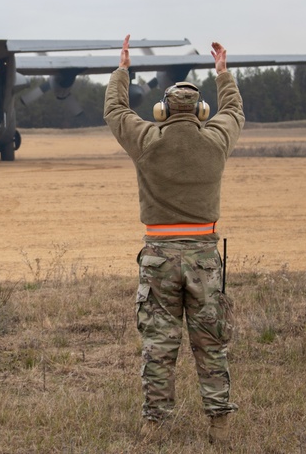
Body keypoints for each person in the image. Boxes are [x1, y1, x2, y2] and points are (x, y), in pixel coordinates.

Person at [103, 34, 244, 445]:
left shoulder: (147, 141)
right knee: (211, 344)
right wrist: (223, 73)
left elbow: (115, 110)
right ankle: (219, 423)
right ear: (201, 111)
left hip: (160, 258)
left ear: (162, 111)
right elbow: (233, 110)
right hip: (204, 258)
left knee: (159, 347)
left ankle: (155, 424)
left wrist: (123, 69)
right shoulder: (216, 141)